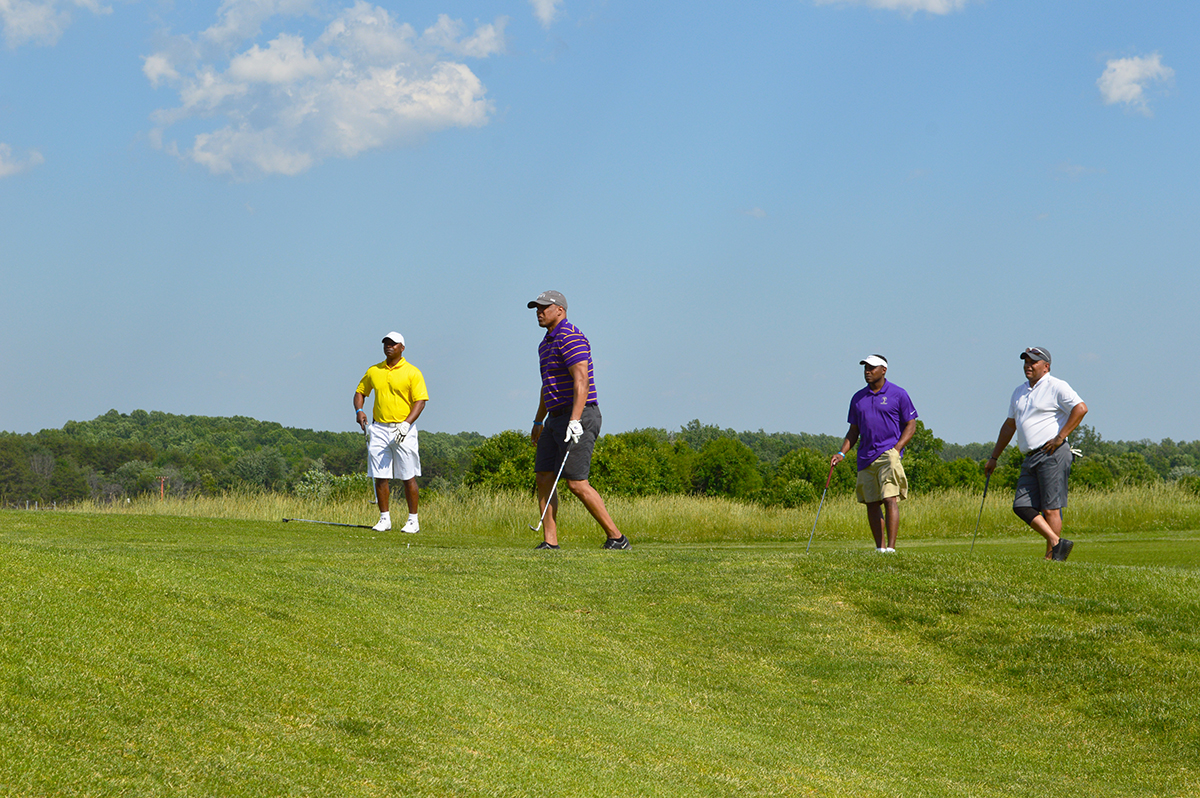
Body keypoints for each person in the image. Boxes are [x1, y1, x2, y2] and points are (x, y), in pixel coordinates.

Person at [527, 290, 629, 551]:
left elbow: (581, 380)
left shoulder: (570, 336)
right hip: (554, 419)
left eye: (544, 307)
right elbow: (546, 386)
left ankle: (617, 538)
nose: (539, 312)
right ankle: (550, 541)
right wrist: (539, 421)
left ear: (560, 310)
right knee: (544, 475)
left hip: (580, 415)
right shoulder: (545, 343)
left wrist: (575, 420)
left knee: (576, 483)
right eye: (536, 308)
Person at [984, 346, 1087, 561]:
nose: (1028, 366)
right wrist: (994, 457)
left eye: (1033, 362)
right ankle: (1058, 543)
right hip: (1030, 456)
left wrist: (1061, 437)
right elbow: (1010, 425)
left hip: (1053, 453)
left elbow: (1081, 408)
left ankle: (1052, 558)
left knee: (1051, 509)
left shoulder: (1056, 386)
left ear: (1046, 366)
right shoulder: (1019, 392)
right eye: (1026, 362)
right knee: (1021, 506)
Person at [830, 354, 919, 553]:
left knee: (889, 498)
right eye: (865, 368)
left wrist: (896, 450)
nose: (867, 371)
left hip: (888, 453)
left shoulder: (898, 394)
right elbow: (854, 431)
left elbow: (911, 424)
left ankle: (891, 549)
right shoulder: (858, 398)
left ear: (884, 370)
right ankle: (879, 549)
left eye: (872, 368)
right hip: (865, 456)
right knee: (871, 501)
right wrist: (841, 453)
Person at [354, 332, 429, 534]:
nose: (389, 347)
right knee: (380, 475)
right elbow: (360, 392)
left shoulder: (413, 372)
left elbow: (420, 402)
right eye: (386, 344)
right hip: (378, 428)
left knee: (408, 475)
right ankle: (384, 518)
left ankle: (413, 520)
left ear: (402, 347)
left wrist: (406, 423)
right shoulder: (374, 370)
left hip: (403, 428)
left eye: (393, 344)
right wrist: (359, 410)